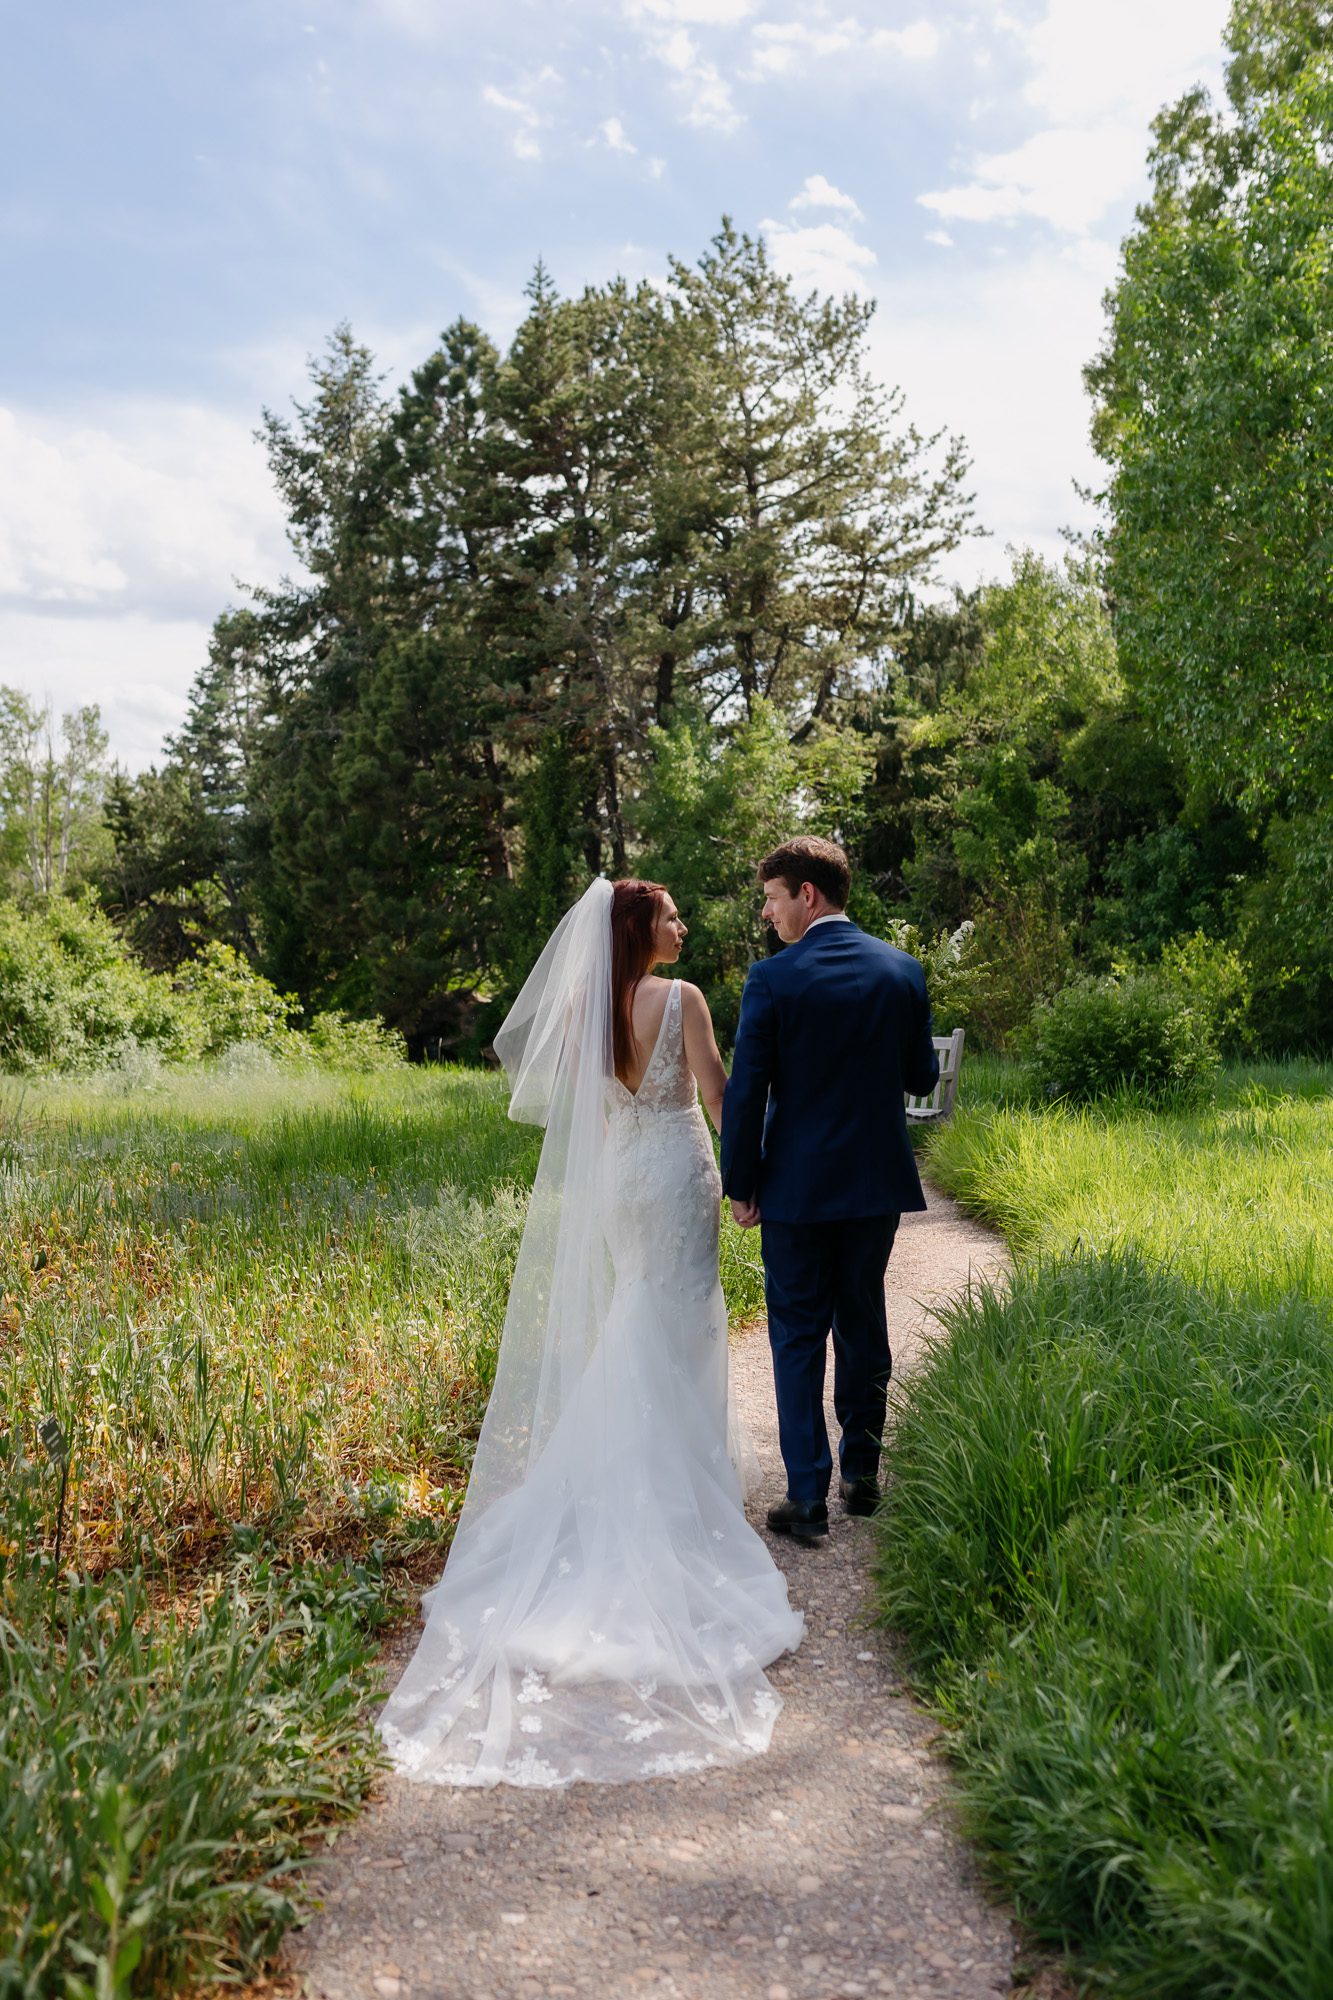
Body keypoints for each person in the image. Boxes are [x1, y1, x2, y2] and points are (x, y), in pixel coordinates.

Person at [379, 877, 803, 1788]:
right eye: (671, 916)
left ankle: (627, 1465)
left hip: (622, 1177)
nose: (682, 926)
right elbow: (719, 1095)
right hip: (676, 1170)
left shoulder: (583, 1005)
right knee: (679, 1317)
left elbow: (587, 1107)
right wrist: (751, 1179)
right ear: (640, 927)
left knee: (634, 1312)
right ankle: (673, 1481)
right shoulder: (682, 998)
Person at [721, 836, 940, 1545]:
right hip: (875, 1183)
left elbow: (747, 1092)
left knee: (795, 1335)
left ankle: (806, 1496)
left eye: (772, 898)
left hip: (795, 1188)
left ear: (807, 894)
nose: (766, 913)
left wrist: (740, 1183)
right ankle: (863, 1477)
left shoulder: (772, 979)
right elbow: (920, 1078)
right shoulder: (901, 970)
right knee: (862, 1321)